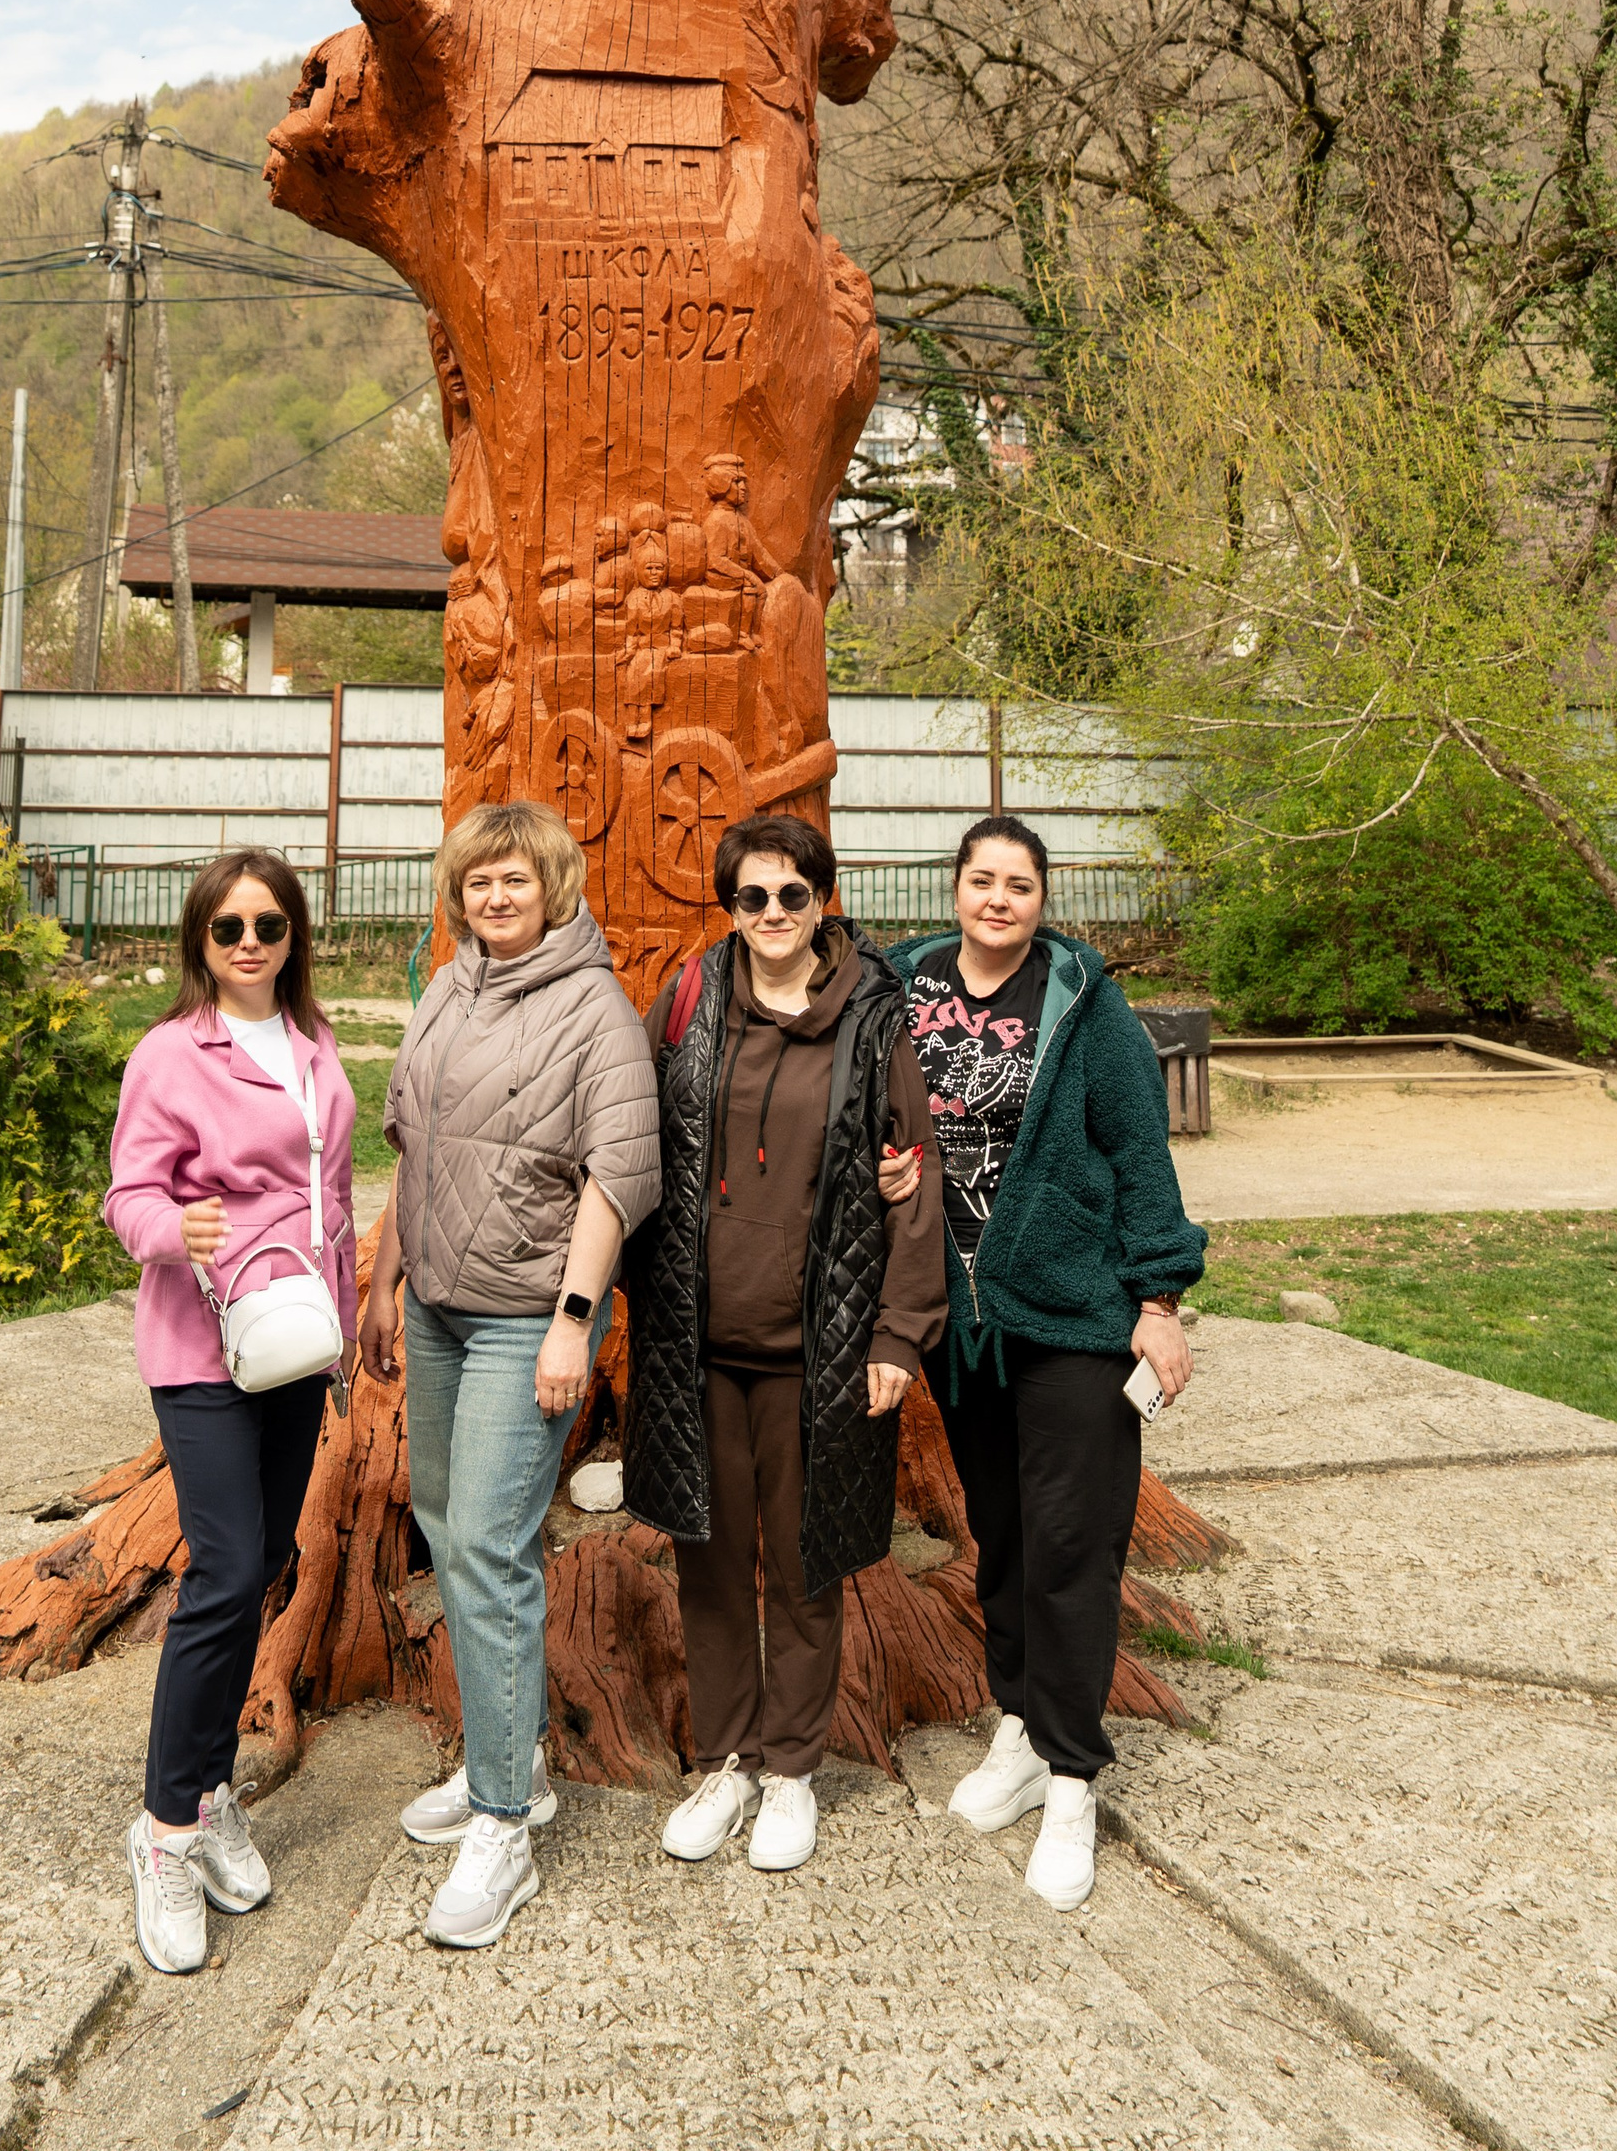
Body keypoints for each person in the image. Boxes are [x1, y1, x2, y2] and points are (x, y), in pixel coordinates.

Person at [882, 816, 1207, 1914]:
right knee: (1004, 1534)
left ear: (1040, 897)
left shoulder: (1085, 1003)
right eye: (981, 878)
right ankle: (1019, 1724)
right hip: (959, 1320)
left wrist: (1157, 1297)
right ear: (956, 886)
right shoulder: (903, 982)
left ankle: (1072, 1776)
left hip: (1071, 1312)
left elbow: (1137, 1147)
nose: (998, 898)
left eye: (1019, 884)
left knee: (1072, 1542)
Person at [360, 800, 659, 1950]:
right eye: (478, 881)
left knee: (484, 1543)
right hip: (432, 1308)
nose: (495, 897)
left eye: (515, 880)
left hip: (524, 1317)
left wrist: (571, 1324)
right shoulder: (447, 988)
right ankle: (514, 1762)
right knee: (452, 1527)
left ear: (553, 886)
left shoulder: (594, 1008)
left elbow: (618, 1175)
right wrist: (384, 1282)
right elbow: (414, 1148)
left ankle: (502, 1831)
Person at [624, 813, 945, 1872]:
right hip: (697, 1338)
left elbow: (912, 1179)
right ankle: (728, 1758)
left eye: (791, 894)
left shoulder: (872, 1018)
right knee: (708, 1557)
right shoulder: (689, 1001)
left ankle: (795, 1766)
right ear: (732, 906)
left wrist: (899, 1329)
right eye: (752, 896)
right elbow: (633, 1141)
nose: (771, 914)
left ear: (823, 899)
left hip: (824, 1340)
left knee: (806, 1562)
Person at [104, 850, 359, 1977]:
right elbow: (129, 1192)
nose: (249, 941)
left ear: (293, 933)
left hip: (297, 1342)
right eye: (227, 927)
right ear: (199, 942)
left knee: (260, 1565)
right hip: (204, 1345)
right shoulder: (170, 1052)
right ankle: (162, 1831)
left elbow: (334, 1200)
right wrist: (176, 1231)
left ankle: (210, 1796)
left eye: (268, 923)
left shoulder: (314, 1049)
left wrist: (345, 1328)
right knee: (219, 1567)